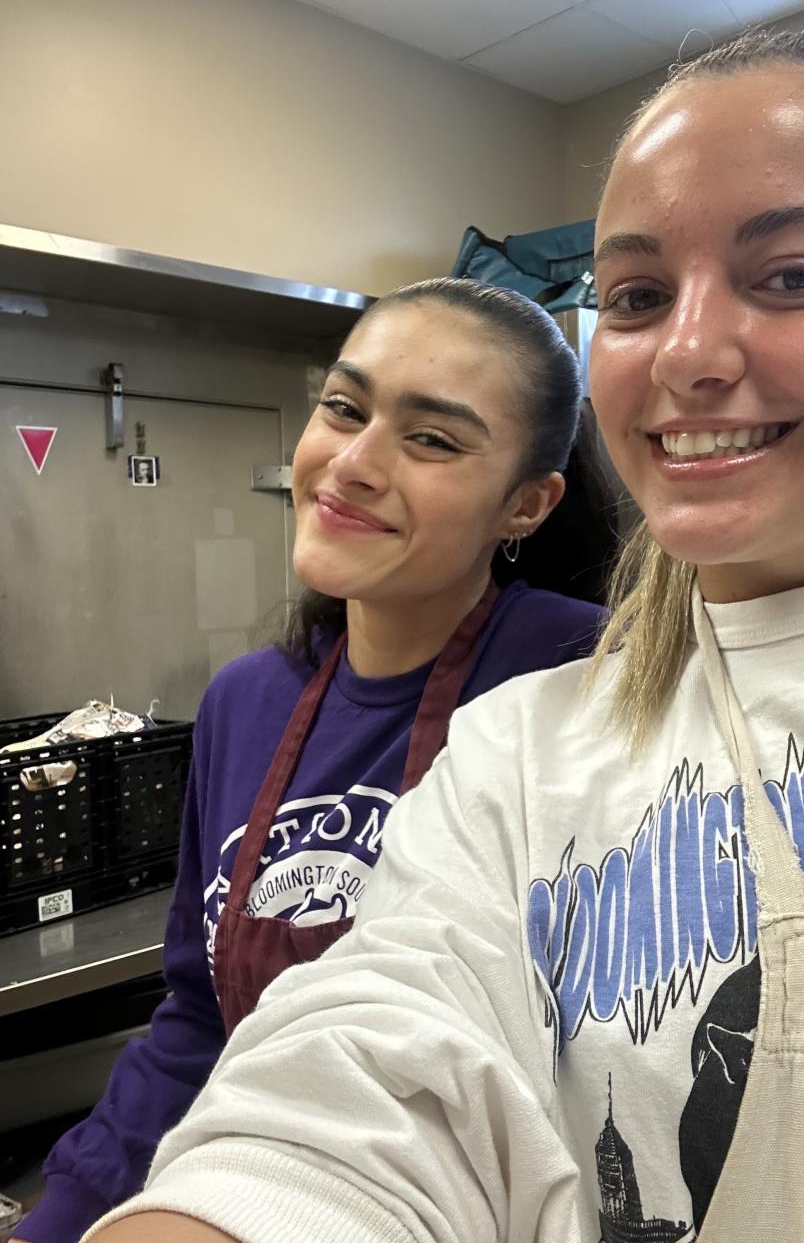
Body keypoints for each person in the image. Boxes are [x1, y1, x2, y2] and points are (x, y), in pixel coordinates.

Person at [84, 27, 804, 1243]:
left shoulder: (541, 653)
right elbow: (360, 1082)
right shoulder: (521, 750)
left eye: (795, 274)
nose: (688, 352)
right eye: (638, 296)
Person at [13, 277, 618, 1243]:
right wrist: (65, 1214)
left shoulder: (585, 672)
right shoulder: (244, 701)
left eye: (432, 439)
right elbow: (201, 1022)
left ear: (527, 504)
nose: (354, 463)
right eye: (343, 408)